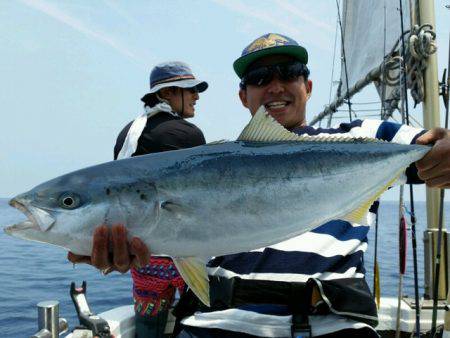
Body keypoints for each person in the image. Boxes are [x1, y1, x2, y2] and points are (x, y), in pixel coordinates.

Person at [70, 33, 450, 338]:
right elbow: (178, 240)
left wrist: (440, 153)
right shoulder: (210, 164)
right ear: (243, 95)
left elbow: (431, 151)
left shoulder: (358, 140)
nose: (275, 86)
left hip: (333, 324)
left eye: (288, 72)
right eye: (259, 78)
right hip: (217, 324)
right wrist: (136, 248)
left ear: (308, 85)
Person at [74, 61, 208, 338]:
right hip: (183, 254)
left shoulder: (128, 133)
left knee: (149, 327)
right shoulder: (187, 134)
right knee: (199, 323)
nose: (196, 96)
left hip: (141, 259)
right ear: (168, 93)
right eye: (190, 90)